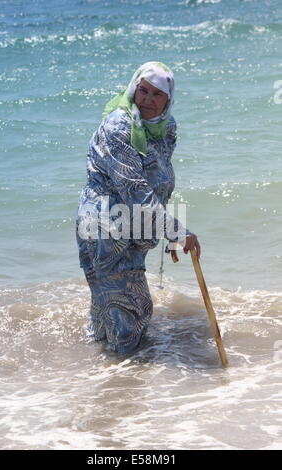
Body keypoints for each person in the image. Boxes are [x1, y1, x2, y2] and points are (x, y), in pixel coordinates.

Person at [76, 62, 201, 354]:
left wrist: (160, 230)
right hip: (106, 229)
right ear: (134, 87)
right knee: (133, 313)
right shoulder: (118, 128)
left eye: (157, 95)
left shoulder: (166, 127)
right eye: (143, 90)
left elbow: (157, 174)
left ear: (168, 100)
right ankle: (125, 388)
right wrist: (178, 232)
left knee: (110, 315)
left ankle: (93, 375)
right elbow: (136, 191)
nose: (147, 100)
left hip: (136, 227)